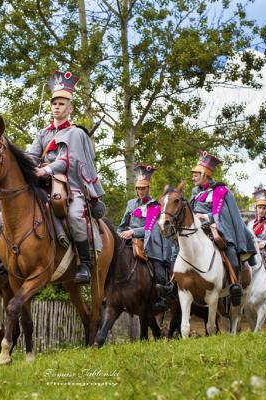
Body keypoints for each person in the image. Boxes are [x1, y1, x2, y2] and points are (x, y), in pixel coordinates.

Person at [26, 70, 104, 285]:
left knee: (74, 216)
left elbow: (68, 159)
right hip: (42, 184)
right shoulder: (43, 133)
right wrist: (27, 166)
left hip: (69, 185)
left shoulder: (76, 133)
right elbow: (32, 155)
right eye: (55, 103)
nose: (57, 107)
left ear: (70, 108)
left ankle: (85, 264)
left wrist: (47, 169)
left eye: (62, 104)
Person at [189, 150, 256, 305]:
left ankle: (234, 284)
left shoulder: (221, 191)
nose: (193, 177)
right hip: (196, 227)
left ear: (205, 174)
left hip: (215, 226)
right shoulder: (195, 193)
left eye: (196, 174)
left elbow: (225, 215)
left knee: (228, 247)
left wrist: (206, 217)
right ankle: (174, 282)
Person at [118, 164, 176, 311]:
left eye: (143, 188)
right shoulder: (131, 203)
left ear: (149, 188)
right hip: (128, 239)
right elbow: (122, 224)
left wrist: (133, 232)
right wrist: (120, 233)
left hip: (149, 241)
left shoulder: (155, 206)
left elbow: (151, 228)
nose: (140, 191)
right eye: (138, 188)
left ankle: (162, 298)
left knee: (158, 267)